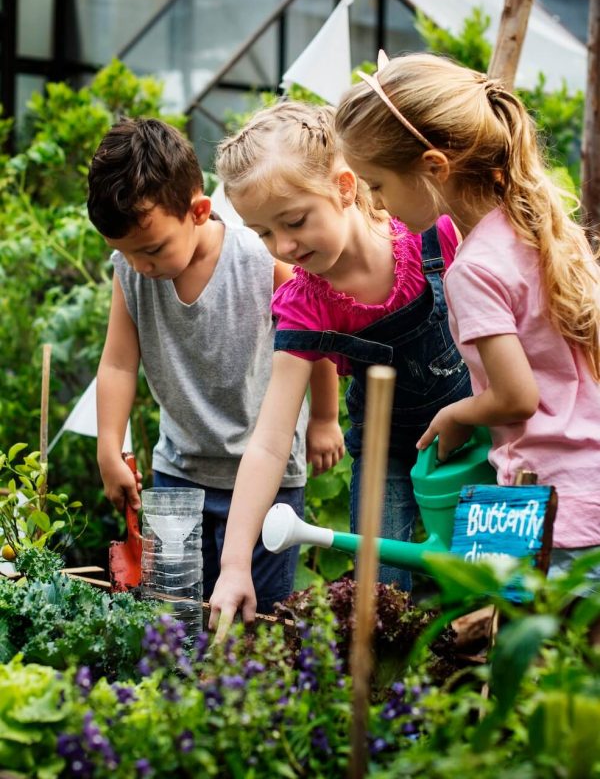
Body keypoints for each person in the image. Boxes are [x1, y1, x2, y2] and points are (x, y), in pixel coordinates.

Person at [335, 51, 600, 581]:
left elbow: (516, 396)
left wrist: (456, 414)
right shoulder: (535, 226)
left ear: (434, 167)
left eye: (379, 184)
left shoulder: (474, 269)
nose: (377, 204)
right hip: (586, 486)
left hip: (545, 506)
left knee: (521, 652)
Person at [208, 100, 471, 631]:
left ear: (346, 186)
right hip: (388, 453)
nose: (282, 246)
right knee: (379, 598)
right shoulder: (305, 303)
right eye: (262, 233)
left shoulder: (434, 236)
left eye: (295, 221)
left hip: (481, 436)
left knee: (486, 584)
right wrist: (235, 562)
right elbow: (269, 441)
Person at [87, 117, 344, 613]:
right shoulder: (132, 273)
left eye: (153, 249)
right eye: (125, 252)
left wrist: (325, 418)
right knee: (174, 617)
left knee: (259, 621)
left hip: (268, 478)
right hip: (179, 473)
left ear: (199, 211)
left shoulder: (260, 261)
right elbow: (118, 364)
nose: (141, 264)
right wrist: (107, 447)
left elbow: (315, 337)